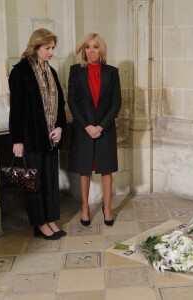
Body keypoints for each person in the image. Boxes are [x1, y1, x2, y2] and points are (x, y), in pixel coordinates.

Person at [8, 28, 67, 240]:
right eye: (47, 48)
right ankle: (40, 223)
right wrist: (17, 140)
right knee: (35, 182)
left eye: (53, 48)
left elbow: (60, 103)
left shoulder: (50, 72)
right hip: (31, 138)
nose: (51, 52)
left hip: (51, 138)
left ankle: (50, 218)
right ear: (36, 47)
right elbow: (16, 108)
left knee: (50, 180)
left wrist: (60, 127)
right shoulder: (21, 72)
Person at [68, 33, 122, 226]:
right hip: (84, 129)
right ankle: (85, 207)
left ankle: (107, 208)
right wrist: (87, 126)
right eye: (88, 47)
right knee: (85, 170)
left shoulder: (112, 72)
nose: (91, 51)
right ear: (84, 50)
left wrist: (101, 126)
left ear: (101, 50)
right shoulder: (75, 71)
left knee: (106, 169)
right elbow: (72, 101)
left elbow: (116, 103)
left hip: (105, 129)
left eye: (95, 47)